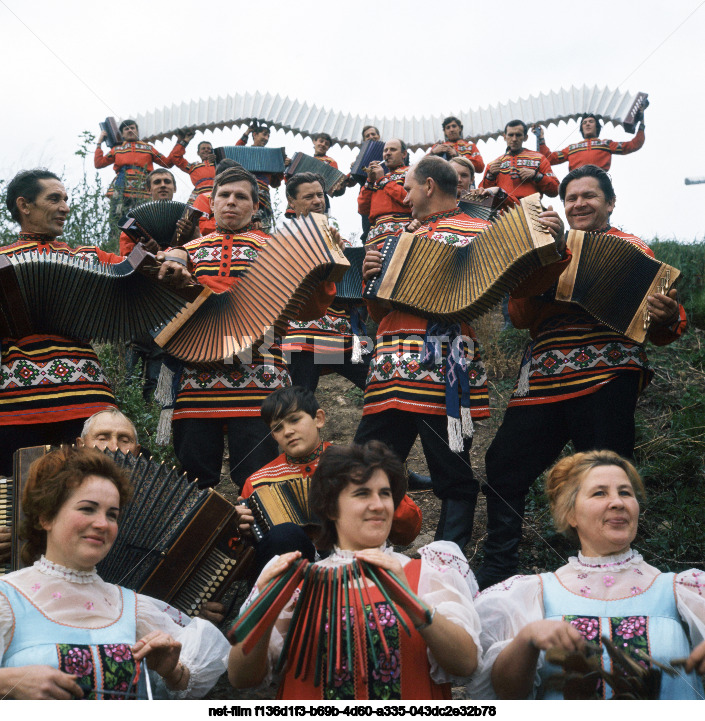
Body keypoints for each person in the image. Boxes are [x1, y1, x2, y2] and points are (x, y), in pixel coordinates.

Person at [476, 164, 686, 590]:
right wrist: (545, 259)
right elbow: (518, 316)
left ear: (610, 203)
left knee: (610, 471)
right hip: (544, 378)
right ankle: (499, 566)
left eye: (589, 196)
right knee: (503, 463)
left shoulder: (633, 248)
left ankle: (615, 565)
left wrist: (669, 316)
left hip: (608, 375)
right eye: (571, 198)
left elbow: (662, 327)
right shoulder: (546, 248)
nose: (578, 203)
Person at [358, 156, 565, 548]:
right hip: (388, 367)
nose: (404, 194)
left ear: (429, 186)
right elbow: (380, 309)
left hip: (443, 369)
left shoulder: (482, 228)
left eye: (409, 186)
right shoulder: (398, 235)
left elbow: (527, 282)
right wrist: (372, 279)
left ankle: (447, 559)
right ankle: (365, 553)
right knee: (365, 467)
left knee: (451, 471)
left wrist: (553, 242)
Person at [228, 441, 481, 700]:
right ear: (329, 507)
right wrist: (263, 607)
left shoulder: (430, 574)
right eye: (362, 494)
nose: (379, 505)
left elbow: (465, 663)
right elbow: (241, 678)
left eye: (384, 494)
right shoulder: (295, 583)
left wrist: (411, 601)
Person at [470, 450, 705, 700]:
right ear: (571, 514)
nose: (618, 502)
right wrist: (527, 639)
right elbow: (507, 696)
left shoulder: (684, 592)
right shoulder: (533, 596)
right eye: (600, 493)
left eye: (625, 492)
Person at [0, 169, 189, 477]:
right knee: (21, 495)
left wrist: (172, 256)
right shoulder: (2, 260)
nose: (65, 207)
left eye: (66, 199)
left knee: (95, 485)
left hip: (86, 397)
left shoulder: (90, 255)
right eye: (54, 198)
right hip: (17, 401)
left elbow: (143, 271)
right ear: (24, 205)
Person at [0, 446, 229, 699]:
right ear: (46, 516)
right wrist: (9, 681)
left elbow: (189, 682)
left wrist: (171, 671)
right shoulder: (7, 599)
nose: (102, 524)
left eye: (112, 514)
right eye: (87, 509)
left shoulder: (133, 608)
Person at [167, 166, 335, 490]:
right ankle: (201, 539)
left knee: (259, 478)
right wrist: (170, 261)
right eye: (224, 196)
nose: (231, 202)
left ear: (256, 207)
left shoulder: (280, 249)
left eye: (241, 196)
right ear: (211, 203)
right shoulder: (186, 254)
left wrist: (324, 272)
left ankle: (265, 539)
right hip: (198, 379)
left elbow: (312, 308)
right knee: (194, 479)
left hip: (260, 377)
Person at [235, 386, 422, 579]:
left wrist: (381, 493)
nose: (288, 431)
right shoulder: (257, 482)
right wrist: (243, 533)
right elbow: (245, 563)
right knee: (284, 535)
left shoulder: (355, 464)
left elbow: (409, 532)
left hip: (351, 569)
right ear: (273, 436)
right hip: (289, 580)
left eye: (294, 420)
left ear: (319, 419)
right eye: (277, 427)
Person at [282, 173, 370, 392]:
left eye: (320, 195)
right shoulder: (284, 244)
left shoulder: (343, 241)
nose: (317, 201)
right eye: (309, 196)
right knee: (301, 400)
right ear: (292, 202)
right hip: (301, 337)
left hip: (343, 332)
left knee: (378, 384)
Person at [94, 119, 173, 243]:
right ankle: (115, 245)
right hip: (121, 190)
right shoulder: (117, 149)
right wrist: (99, 142)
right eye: (126, 129)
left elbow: (167, 163)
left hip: (143, 190)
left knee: (144, 219)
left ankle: (147, 245)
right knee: (118, 219)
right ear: (122, 134)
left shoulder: (148, 148)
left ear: (137, 131)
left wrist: (181, 143)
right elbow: (98, 163)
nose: (130, 130)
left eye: (132, 128)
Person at [480, 119, 558, 208]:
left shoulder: (539, 158)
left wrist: (536, 176)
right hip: (504, 213)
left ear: (525, 137)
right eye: (510, 135)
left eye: (518, 135)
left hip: (533, 210)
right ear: (504, 137)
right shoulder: (493, 165)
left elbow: (555, 190)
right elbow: (483, 196)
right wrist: (490, 176)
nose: (514, 139)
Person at [536, 111, 646, 172]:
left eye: (591, 121)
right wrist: (541, 139)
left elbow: (634, 144)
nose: (587, 124)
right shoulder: (572, 148)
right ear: (581, 128)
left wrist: (641, 123)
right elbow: (549, 159)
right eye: (584, 123)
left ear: (597, 126)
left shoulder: (606, 144)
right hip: (576, 180)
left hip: (598, 179)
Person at [358, 138, 412, 251]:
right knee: (374, 268)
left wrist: (382, 180)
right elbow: (363, 209)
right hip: (375, 236)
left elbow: (409, 199)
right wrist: (370, 181)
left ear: (404, 154)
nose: (387, 153)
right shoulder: (378, 177)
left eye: (392, 150)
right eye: (385, 150)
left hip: (401, 232)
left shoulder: (411, 172)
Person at [235, 124, 286, 232]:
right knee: (243, 227)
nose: (266, 138)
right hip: (245, 192)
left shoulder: (271, 157)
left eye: (268, 136)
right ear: (255, 134)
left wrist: (282, 167)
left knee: (264, 229)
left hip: (263, 198)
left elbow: (275, 183)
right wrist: (247, 132)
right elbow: (235, 152)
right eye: (264, 134)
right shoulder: (245, 153)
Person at [167, 130, 216, 200]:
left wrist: (216, 161)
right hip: (199, 197)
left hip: (218, 194)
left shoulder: (220, 164)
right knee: (191, 211)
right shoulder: (193, 167)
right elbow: (175, 157)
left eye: (209, 148)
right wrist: (186, 141)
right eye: (203, 149)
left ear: (213, 151)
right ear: (198, 153)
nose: (206, 150)